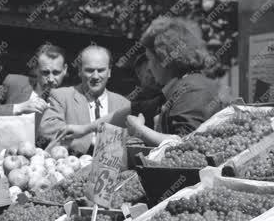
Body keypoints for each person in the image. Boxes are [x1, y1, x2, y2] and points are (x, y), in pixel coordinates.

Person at [61, 18, 224, 147]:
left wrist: (140, 130)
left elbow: (185, 144)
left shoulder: (193, 91)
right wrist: (84, 129)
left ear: (164, 61)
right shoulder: (178, 87)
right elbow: (129, 111)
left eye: (150, 60)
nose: (148, 69)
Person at [39, 45, 129, 155]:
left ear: (109, 71)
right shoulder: (61, 96)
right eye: (89, 70)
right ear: (79, 71)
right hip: (71, 166)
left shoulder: (123, 104)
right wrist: (94, 143)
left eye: (100, 70)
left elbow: (132, 139)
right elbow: (48, 129)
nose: (95, 76)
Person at [0, 42, 68, 144]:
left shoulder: (72, 100)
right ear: (36, 69)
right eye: (45, 72)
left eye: (56, 73)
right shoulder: (14, 83)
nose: (50, 79)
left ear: (65, 70)